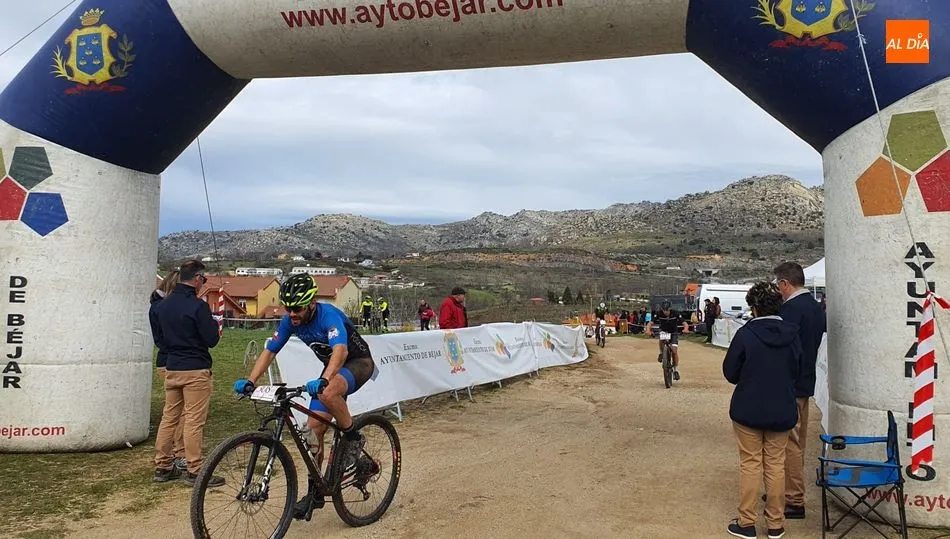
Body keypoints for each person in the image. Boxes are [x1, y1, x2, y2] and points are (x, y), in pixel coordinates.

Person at [234, 273, 377, 517]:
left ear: (311, 303)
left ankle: (353, 438)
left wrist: (324, 379)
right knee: (312, 431)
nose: (292, 314)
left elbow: (340, 352)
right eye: (288, 308)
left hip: (358, 362)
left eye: (297, 308)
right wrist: (251, 380)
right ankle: (316, 491)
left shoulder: (328, 316)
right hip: (333, 366)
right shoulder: (291, 320)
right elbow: (270, 351)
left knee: (329, 393)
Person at [722, 282, 802, 539]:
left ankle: (747, 522)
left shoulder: (746, 334)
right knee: (776, 465)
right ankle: (775, 523)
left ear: (753, 308)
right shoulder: (792, 334)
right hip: (782, 408)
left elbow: (730, 372)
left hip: (749, 408)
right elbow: (797, 370)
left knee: (750, 463)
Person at [150, 260, 224, 487]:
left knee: (169, 417)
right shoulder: (197, 306)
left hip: (172, 367)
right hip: (196, 368)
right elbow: (211, 339)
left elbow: (159, 340)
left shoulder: (161, 306)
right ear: (198, 279)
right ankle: (195, 469)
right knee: (193, 420)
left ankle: (163, 465)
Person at [768, 261, 828, 519]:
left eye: (777, 285)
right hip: (805, 380)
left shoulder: (790, 309)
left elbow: (785, 346)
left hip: (790, 383)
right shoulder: (815, 307)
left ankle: (793, 498)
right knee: (797, 440)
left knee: (788, 442)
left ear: (784, 283)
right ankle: (783, 490)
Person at [149, 269, 185, 472]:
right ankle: (178, 453)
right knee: (180, 413)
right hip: (175, 361)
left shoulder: (156, 306)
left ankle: (164, 459)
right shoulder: (164, 308)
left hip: (166, 360)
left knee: (172, 413)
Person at [645, 300, 690, 380]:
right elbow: (650, 323)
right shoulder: (659, 313)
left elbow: (685, 324)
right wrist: (648, 330)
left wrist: (685, 329)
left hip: (673, 332)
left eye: (667, 310)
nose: (665, 312)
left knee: (674, 351)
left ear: (670, 309)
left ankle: (676, 369)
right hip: (664, 331)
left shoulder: (675, 313)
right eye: (664, 310)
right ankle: (662, 353)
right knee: (661, 338)